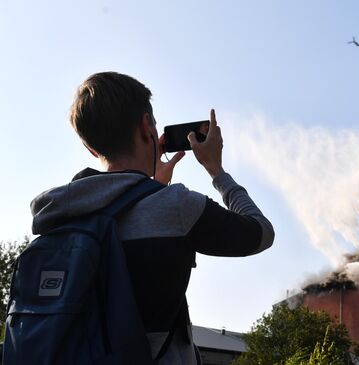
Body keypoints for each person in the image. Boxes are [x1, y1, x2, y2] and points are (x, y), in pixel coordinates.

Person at [30, 72, 275, 364]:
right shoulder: (175, 207)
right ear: (147, 127)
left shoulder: (60, 214)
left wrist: (149, 187)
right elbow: (260, 232)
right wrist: (216, 171)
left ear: (90, 148)